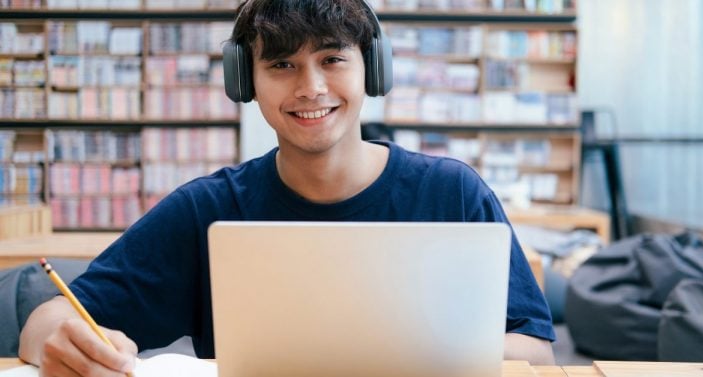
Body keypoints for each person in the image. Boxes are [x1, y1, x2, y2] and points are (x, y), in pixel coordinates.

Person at [19, 0, 556, 375]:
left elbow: (535, 351)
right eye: (281, 64)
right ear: (244, 81)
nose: (311, 88)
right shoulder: (208, 209)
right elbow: (47, 321)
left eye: (332, 58)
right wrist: (66, 344)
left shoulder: (451, 194)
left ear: (371, 70)